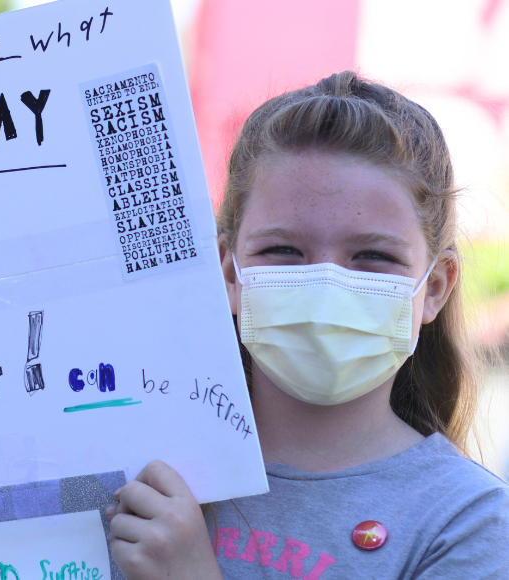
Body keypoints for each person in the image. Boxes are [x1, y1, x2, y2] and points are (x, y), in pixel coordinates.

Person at [105, 72, 509, 579]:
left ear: (433, 288)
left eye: (372, 256)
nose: (325, 288)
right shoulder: (131, 468)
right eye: (283, 251)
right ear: (230, 273)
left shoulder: (469, 522)